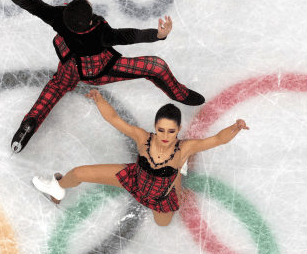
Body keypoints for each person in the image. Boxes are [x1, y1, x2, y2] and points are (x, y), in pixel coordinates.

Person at [0, 0, 205, 154]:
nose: (87, 0)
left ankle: (30, 122)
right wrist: (158, 34)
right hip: (96, 69)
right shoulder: (101, 34)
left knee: (57, 86)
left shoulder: (58, 17)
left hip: (70, 63)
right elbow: (129, 36)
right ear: (89, 22)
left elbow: (30, 4)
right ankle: (179, 93)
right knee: (156, 66)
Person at [32, 89, 248, 226]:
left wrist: (235, 127)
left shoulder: (184, 148)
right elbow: (115, 119)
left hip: (161, 196)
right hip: (134, 178)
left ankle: (178, 172)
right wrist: (99, 99)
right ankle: (57, 187)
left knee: (163, 223)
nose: (165, 136)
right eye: (161, 130)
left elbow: (216, 139)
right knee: (79, 173)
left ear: (179, 130)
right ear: (155, 126)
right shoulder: (143, 138)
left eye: (171, 131)